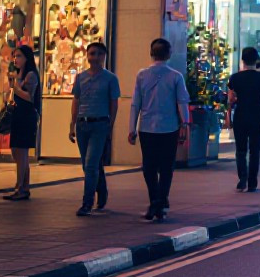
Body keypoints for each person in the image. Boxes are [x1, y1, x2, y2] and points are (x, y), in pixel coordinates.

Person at [128, 38, 190, 221]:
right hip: (169, 127)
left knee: (149, 167)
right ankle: (160, 201)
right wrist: (185, 124)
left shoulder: (141, 75)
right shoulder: (176, 76)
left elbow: (135, 104)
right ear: (169, 54)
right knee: (166, 167)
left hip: (147, 128)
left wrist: (132, 128)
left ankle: (155, 200)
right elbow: (182, 102)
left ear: (151, 53)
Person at [68, 42, 120, 216]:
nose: (95, 57)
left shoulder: (110, 79)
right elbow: (76, 100)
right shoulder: (80, 77)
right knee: (88, 164)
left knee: (91, 164)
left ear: (104, 56)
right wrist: (72, 123)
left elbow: (114, 103)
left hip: (100, 124)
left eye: (98, 54)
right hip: (82, 124)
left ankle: (87, 203)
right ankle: (101, 189)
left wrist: (110, 126)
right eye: (91, 53)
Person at [226, 46, 260, 192]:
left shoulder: (235, 78)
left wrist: (228, 116)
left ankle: (242, 179)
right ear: (256, 60)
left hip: (240, 115)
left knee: (241, 150)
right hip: (257, 116)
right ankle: (252, 182)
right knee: (255, 151)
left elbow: (230, 99)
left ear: (243, 60)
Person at [2, 45, 41, 202]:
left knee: (21, 152)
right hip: (18, 114)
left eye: (19, 56)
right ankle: (23, 186)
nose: (15, 59)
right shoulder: (19, 74)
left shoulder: (30, 75)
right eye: (14, 56)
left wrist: (15, 87)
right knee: (17, 151)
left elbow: (29, 97)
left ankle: (20, 187)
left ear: (26, 58)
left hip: (26, 115)